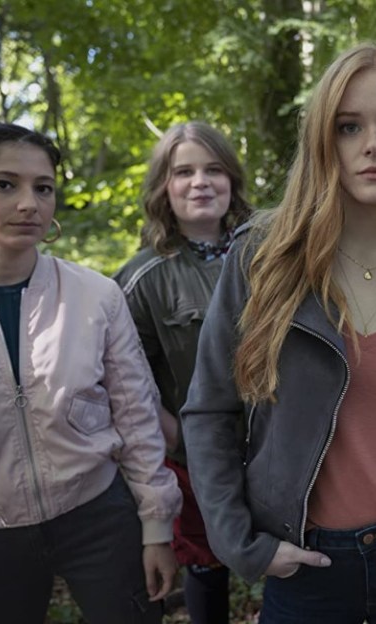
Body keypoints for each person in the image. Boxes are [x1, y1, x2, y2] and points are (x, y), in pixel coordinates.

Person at [181, 44, 376, 624]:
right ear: (323, 142)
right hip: (306, 563)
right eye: (349, 126)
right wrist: (241, 545)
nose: (372, 144)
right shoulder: (263, 259)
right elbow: (210, 410)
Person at [0, 117, 182, 624]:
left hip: (101, 520)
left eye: (43, 187)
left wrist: (157, 525)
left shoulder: (97, 296)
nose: (29, 202)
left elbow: (137, 418)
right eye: (5, 184)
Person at [114, 121, 252, 624]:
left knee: (289, 561)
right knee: (207, 564)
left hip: (279, 449)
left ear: (232, 180)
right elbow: (129, 381)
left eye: (214, 169)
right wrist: (181, 438)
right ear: (163, 188)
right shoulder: (140, 277)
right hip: (193, 457)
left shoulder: (272, 254)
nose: (201, 182)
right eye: (184, 172)